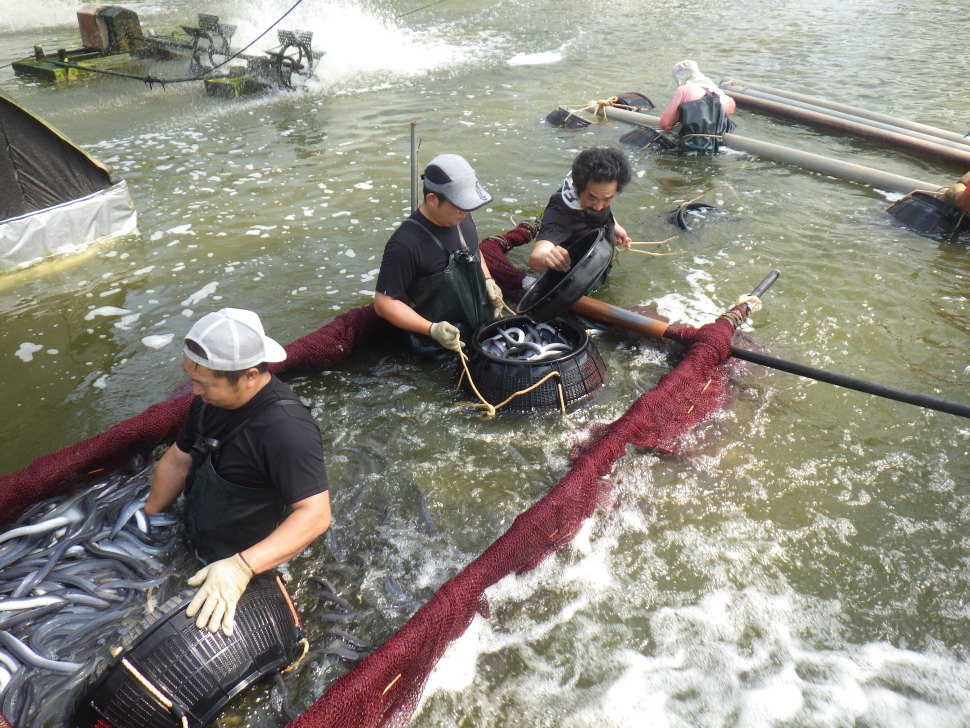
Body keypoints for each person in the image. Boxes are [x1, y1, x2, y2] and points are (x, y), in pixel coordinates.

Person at [144, 308, 331, 637]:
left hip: (256, 562)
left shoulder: (287, 432)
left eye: (203, 384)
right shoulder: (208, 401)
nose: (194, 392)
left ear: (249, 376)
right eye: (192, 380)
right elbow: (178, 460)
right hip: (204, 540)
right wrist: (148, 521)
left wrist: (240, 567)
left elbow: (316, 514)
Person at [374, 153, 504, 354]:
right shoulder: (405, 244)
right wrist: (432, 330)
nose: (466, 212)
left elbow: (474, 250)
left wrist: (487, 279)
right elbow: (384, 303)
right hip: (438, 347)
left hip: (479, 333)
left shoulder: (462, 218)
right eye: (460, 206)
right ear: (433, 199)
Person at [527, 147, 632, 275]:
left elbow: (601, 204)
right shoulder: (560, 212)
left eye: (607, 199)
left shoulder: (599, 195)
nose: (599, 207)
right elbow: (537, 257)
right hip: (573, 272)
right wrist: (545, 257)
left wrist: (614, 225)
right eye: (591, 197)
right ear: (577, 187)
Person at [659, 60, 736, 152]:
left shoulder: (684, 90)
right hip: (720, 142)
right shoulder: (716, 91)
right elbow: (731, 107)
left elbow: (666, 124)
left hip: (693, 144)